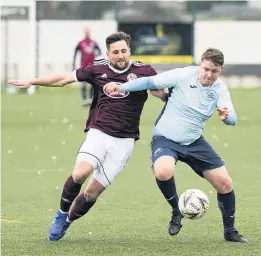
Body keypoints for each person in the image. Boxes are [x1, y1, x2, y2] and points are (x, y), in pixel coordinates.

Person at [9, 31, 166, 241]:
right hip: (99, 132)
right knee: (80, 174)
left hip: (125, 142)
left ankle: (68, 221)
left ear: (129, 50)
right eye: (115, 52)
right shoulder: (97, 69)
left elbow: (160, 92)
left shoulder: (144, 71)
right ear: (108, 54)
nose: (120, 56)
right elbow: (63, 79)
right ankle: (61, 214)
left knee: (92, 194)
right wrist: (34, 81)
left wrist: (174, 95)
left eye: (123, 51)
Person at [104, 48, 248, 243]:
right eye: (206, 69)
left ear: (220, 70)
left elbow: (232, 118)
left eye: (214, 71)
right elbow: (148, 82)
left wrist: (227, 116)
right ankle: (176, 211)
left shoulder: (219, 88)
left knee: (225, 183)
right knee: (163, 171)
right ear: (200, 64)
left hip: (194, 142)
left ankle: (230, 232)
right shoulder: (182, 75)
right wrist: (121, 87)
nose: (209, 74)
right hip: (166, 138)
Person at [72, 27, 102, 107]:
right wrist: (73, 64)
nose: (87, 34)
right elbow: (75, 54)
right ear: (84, 33)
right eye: (86, 32)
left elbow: (100, 52)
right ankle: (84, 101)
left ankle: (90, 100)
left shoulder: (94, 42)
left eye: (88, 32)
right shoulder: (80, 43)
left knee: (93, 84)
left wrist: (98, 59)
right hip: (83, 67)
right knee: (84, 84)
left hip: (93, 67)